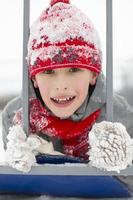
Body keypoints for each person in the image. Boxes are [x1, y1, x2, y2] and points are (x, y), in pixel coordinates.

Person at [1, 0, 133, 197]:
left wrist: (120, 164)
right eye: (48, 72)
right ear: (34, 78)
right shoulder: (16, 117)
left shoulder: (119, 114)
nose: (61, 85)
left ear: (94, 75)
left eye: (74, 69)